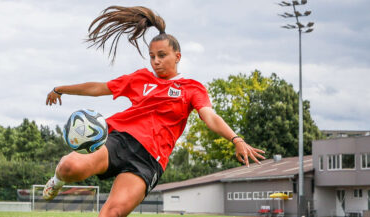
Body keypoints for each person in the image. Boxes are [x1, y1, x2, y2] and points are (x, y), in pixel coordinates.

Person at [44, 6, 265, 217]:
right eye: (152, 56)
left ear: (177, 56)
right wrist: (61, 89)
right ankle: (56, 181)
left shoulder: (191, 88)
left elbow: (210, 116)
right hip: (119, 139)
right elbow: (100, 87)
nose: (156, 61)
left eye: (162, 55)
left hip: (149, 161)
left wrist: (235, 139)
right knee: (68, 166)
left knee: (112, 213)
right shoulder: (141, 78)